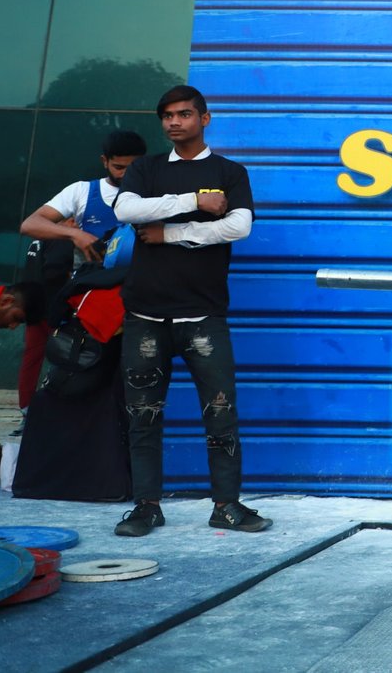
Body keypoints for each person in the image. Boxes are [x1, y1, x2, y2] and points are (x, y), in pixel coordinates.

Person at [110, 84, 269, 536]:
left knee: (221, 414)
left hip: (203, 316)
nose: (174, 122)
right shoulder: (145, 168)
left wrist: (172, 234)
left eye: (183, 114)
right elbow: (126, 210)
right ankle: (146, 507)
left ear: (204, 118)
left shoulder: (229, 171)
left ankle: (227, 506)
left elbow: (238, 226)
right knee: (143, 417)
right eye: (167, 116)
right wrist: (195, 202)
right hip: (145, 316)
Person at [18, 129, 148, 413]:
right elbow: (30, 224)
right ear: (104, 161)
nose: (126, 174)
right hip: (91, 309)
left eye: (134, 167)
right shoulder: (81, 192)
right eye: (119, 167)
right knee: (85, 378)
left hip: (139, 303)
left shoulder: (154, 194)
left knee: (134, 382)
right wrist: (73, 234)